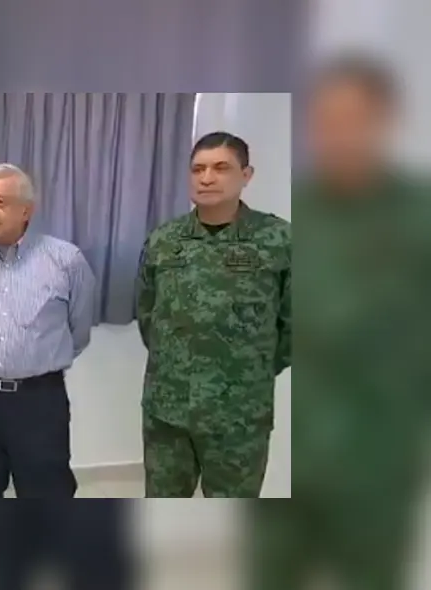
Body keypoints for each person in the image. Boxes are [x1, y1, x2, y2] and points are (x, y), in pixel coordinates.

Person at [250, 55, 431, 590]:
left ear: (385, 122)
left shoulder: (419, 219)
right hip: (288, 461)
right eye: (327, 121)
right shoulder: (285, 219)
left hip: (376, 466)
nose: (341, 135)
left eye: (356, 119)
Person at [136, 131, 292, 498]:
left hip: (238, 417)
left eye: (221, 168)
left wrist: (245, 370)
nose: (206, 178)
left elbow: (294, 325)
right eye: (198, 168)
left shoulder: (278, 240)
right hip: (167, 414)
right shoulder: (164, 240)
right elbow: (147, 314)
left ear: (246, 175)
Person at [0, 163, 96, 498]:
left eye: (0, 202)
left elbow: (79, 329)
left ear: (26, 210)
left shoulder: (65, 260)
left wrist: (34, 360)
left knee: (47, 492)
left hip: (39, 399)